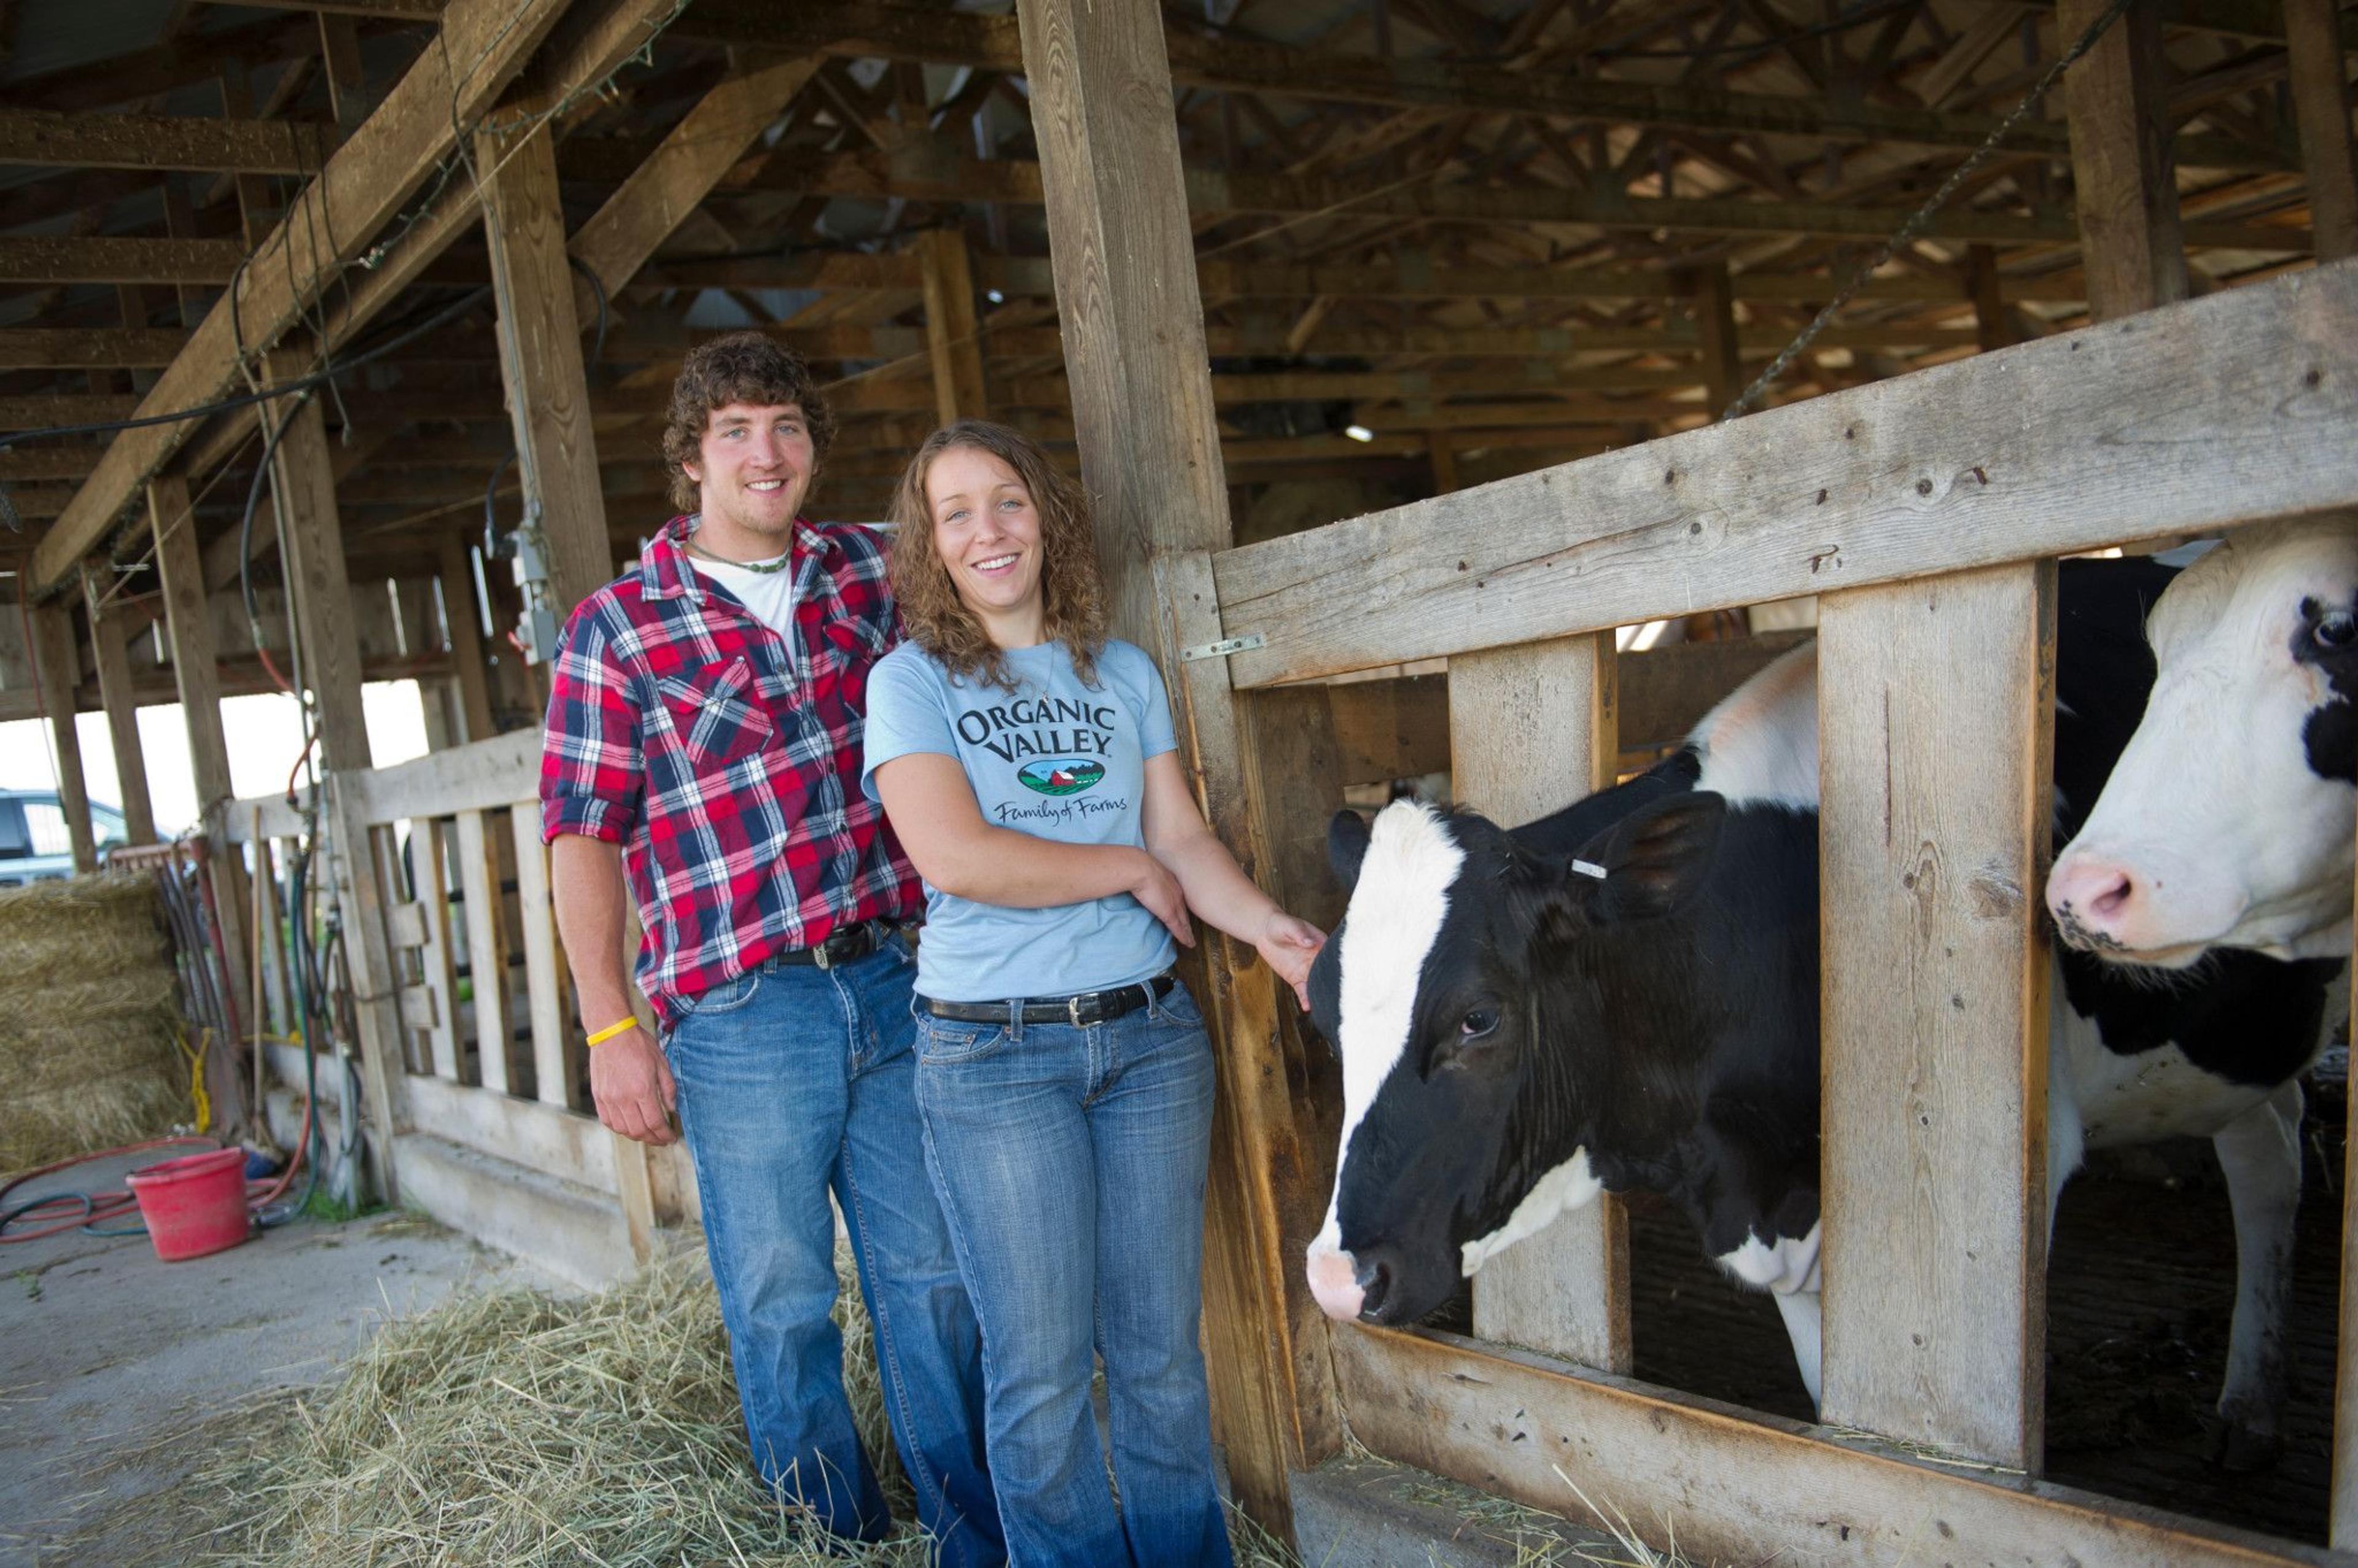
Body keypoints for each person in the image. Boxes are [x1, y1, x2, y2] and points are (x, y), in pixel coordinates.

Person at [539, 333, 1002, 1566]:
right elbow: (582, 836)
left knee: (936, 1276)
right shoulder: (619, 626)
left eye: (787, 425)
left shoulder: (873, 572)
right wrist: (608, 1025)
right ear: (691, 458)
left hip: (902, 977)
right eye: (737, 429)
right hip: (745, 1012)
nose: (766, 450)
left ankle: (977, 1535)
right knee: (780, 1296)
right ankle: (834, 1538)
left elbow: (998, 637)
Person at [861, 419, 1326, 1568]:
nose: (987, 530)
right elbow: (958, 856)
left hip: (1149, 1044)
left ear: (1045, 518)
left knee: (1162, 1356)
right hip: (995, 1059)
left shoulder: (1117, 671)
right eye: (955, 512)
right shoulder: (911, 682)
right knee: (1044, 1372)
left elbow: (1180, 834)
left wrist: (1275, 930)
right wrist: (1126, 868)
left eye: (1006, 501)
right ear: (929, 544)